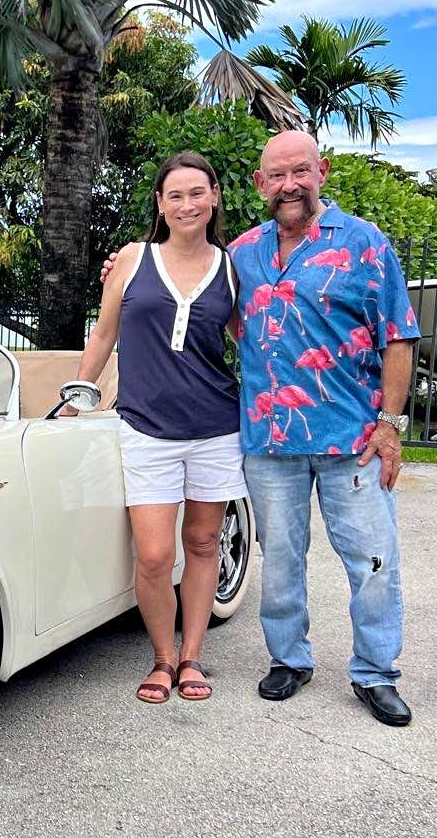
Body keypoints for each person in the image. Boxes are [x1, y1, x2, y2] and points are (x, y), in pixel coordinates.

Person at [103, 131, 420, 726]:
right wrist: (121, 275)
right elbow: (192, 301)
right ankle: (289, 658)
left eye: (300, 172)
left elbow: (398, 334)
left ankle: (376, 673)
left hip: (351, 439)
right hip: (269, 441)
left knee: (373, 559)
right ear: (258, 185)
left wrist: (389, 423)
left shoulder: (365, 243)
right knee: (279, 557)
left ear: (321, 171)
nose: (289, 185)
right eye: (276, 176)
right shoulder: (240, 255)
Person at [66, 151, 246, 703]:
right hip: (144, 428)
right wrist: (77, 396)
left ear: (214, 197)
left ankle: (190, 658)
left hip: (216, 427)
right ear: (161, 203)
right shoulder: (131, 259)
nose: (187, 204)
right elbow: (102, 335)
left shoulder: (234, 267)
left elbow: (254, 344)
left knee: (202, 541)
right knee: (152, 555)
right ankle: (160, 658)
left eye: (197, 192)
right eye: (175, 195)